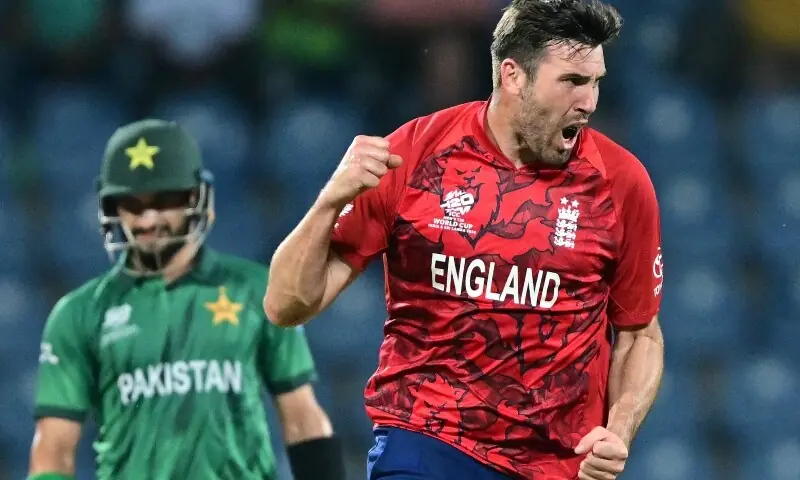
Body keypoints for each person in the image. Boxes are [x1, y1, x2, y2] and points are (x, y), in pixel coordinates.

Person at [264, 0, 666, 479]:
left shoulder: (620, 183)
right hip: (426, 441)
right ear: (513, 76)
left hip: (555, 462)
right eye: (572, 81)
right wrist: (328, 202)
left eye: (596, 81)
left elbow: (640, 332)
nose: (590, 102)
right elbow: (285, 306)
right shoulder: (415, 154)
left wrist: (617, 431)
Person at [28, 119, 346, 480]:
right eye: (131, 204)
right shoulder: (79, 314)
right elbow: (53, 451)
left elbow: (301, 416)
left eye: (164, 200)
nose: (147, 220)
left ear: (196, 197)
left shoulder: (256, 290)